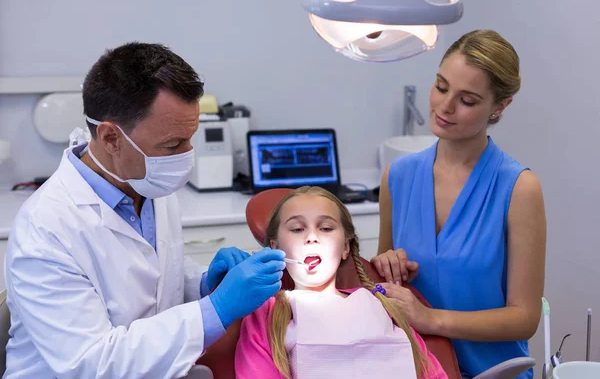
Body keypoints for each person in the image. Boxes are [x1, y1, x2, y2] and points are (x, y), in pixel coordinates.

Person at [4, 42, 286, 378]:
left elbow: (149, 277)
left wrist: (203, 283)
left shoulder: (147, 179)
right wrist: (217, 309)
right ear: (111, 138)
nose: (186, 154)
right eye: (173, 144)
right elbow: (93, 364)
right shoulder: (46, 230)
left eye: (190, 137)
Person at [371, 29, 547, 379]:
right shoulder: (398, 177)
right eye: (441, 86)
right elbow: (385, 285)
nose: (445, 106)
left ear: (500, 106)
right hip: (415, 369)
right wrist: (385, 266)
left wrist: (430, 318)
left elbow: (524, 319)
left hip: (493, 372)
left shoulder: (518, 188)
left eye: (467, 100)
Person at [235, 186, 448, 379]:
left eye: (326, 228)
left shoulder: (384, 304)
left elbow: (432, 373)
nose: (311, 237)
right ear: (275, 246)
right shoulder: (266, 315)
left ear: (346, 246)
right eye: (297, 229)